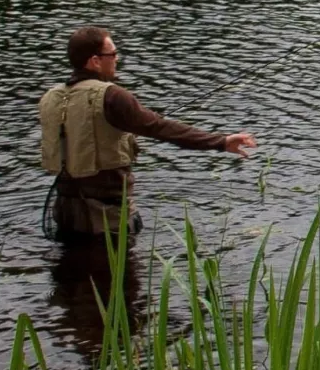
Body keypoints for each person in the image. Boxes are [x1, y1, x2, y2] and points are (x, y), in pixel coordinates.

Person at [39, 26, 257, 241]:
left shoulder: (51, 97)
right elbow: (160, 128)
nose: (117, 58)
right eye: (113, 54)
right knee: (121, 275)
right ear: (95, 60)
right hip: (107, 218)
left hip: (65, 213)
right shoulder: (112, 97)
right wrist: (221, 141)